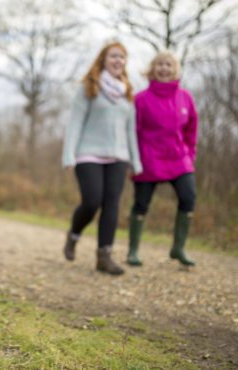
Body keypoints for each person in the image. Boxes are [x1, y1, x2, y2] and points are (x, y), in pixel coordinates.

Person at [62, 41, 142, 275]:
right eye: (113, 56)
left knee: (112, 204)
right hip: (88, 153)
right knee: (92, 201)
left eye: (122, 57)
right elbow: (75, 122)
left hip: (118, 156)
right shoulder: (89, 87)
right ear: (103, 60)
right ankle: (74, 234)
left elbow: (130, 130)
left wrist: (135, 160)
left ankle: (104, 256)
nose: (118, 60)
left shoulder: (127, 91)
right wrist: (69, 154)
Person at [127, 51, 198, 267]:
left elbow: (191, 129)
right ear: (152, 69)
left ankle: (178, 248)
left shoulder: (185, 97)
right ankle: (133, 251)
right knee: (141, 203)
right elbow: (134, 131)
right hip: (149, 159)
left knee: (189, 197)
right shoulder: (141, 99)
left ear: (175, 69)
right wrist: (134, 160)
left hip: (178, 158)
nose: (164, 68)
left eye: (168, 64)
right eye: (159, 64)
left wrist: (190, 155)